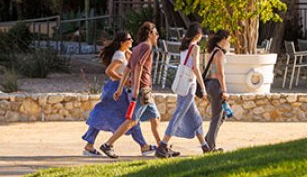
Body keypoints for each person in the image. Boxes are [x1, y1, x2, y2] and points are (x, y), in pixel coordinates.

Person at [99, 21, 173, 159]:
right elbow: (138, 66)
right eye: (156, 33)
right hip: (142, 90)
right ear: (150, 33)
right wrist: (136, 89)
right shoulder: (146, 47)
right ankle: (108, 144)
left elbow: (128, 68)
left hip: (144, 90)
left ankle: (162, 148)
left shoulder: (137, 47)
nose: (157, 36)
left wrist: (120, 88)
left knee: (155, 117)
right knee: (132, 120)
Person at [81, 31, 157, 157]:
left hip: (114, 89)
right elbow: (109, 71)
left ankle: (89, 146)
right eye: (129, 39)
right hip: (115, 90)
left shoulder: (123, 53)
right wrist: (124, 80)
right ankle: (144, 146)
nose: (132, 41)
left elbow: (134, 58)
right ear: (122, 43)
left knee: (112, 117)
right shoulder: (119, 55)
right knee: (131, 118)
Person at [156, 22, 210, 158]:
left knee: (195, 118)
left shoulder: (184, 47)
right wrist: (203, 88)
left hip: (182, 86)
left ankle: (205, 146)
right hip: (189, 86)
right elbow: (195, 68)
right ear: (198, 35)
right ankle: (163, 145)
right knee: (179, 114)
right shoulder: (195, 48)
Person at [202, 29, 230, 153]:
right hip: (215, 85)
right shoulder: (219, 53)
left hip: (209, 85)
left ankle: (208, 139)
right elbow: (220, 74)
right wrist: (224, 90)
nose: (229, 43)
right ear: (223, 39)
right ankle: (210, 146)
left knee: (221, 115)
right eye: (228, 40)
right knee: (217, 117)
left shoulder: (212, 51)